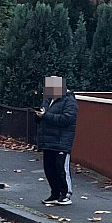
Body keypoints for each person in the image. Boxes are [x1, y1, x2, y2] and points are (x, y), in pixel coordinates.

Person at [36, 76, 78, 206]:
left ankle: (65, 194)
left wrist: (46, 115)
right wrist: (39, 116)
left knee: (61, 168)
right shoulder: (48, 101)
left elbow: (66, 120)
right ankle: (55, 193)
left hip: (61, 141)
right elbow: (42, 118)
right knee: (49, 168)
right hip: (48, 141)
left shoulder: (69, 101)